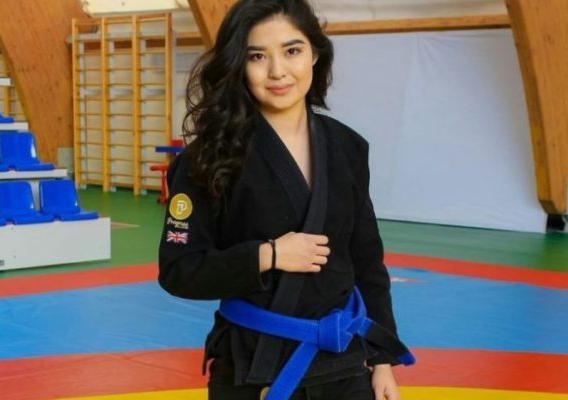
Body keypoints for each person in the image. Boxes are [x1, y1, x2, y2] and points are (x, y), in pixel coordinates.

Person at [158, 0, 413, 399]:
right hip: (254, 366)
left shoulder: (347, 147)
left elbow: (366, 261)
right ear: (239, 65)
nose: (277, 71)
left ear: (315, 54)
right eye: (257, 56)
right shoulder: (208, 159)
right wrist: (267, 255)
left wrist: (382, 360)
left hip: (342, 364)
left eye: (292, 51)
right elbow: (179, 270)